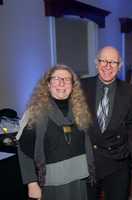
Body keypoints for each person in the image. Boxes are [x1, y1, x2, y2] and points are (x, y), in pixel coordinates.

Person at [17, 64, 95, 200]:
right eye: (56, 79)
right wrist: (32, 183)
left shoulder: (80, 111)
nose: (61, 83)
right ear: (47, 84)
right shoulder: (35, 113)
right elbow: (23, 149)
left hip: (80, 180)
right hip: (52, 184)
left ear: (73, 85)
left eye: (67, 79)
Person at [81, 46, 132, 200]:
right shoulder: (80, 87)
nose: (107, 66)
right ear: (96, 62)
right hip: (87, 161)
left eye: (113, 62)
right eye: (103, 61)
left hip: (118, 162)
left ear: (119, 66)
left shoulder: (131, 92)